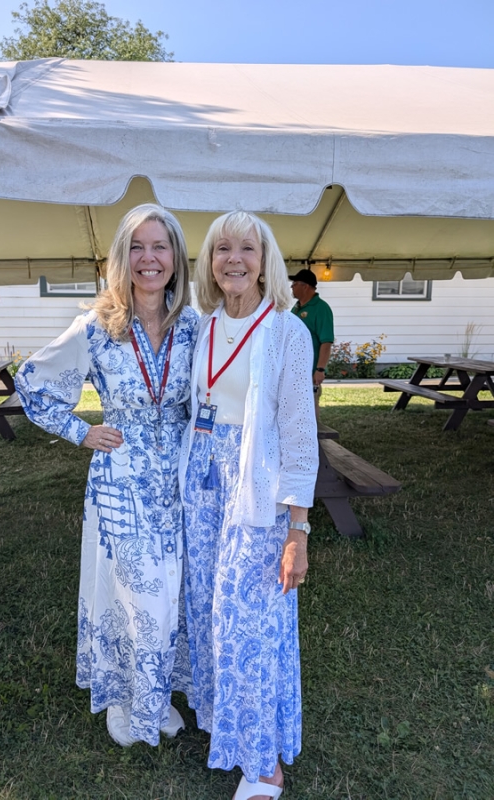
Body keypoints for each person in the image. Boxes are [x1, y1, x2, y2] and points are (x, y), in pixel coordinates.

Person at [15, 203, 198, 748]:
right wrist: (81, 432)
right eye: (137, 247)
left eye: (160, 246)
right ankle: (122, 694)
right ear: (122, 257)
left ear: (175, 257)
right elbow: (32, 382)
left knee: (172, 588)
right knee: (127, 590)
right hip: (122, 477)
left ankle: (157, 693)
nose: (149, 258)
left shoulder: (194, 325)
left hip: (181, 477)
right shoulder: (96, 327)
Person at [179, 212, 319, 799]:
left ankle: (265, 766)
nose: (233, 258)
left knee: (251, 622)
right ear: (210, 261)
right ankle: (227, 727)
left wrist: (298, 531)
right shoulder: (204, 325)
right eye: (222, 248)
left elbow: (299, 435)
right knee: (210, 612)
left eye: (247, 248)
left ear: (266, 261)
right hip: (203, 484)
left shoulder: (287, 331)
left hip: (255, 489)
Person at [290, 269, 334, 412]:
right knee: (294, 409)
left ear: (305, 286)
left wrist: (320, 369)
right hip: (293, 369)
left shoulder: (321, 308)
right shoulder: (296, 308)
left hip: (309, 370)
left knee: (308, 409)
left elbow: (326, 342)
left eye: (295, 284)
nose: (291, 287)